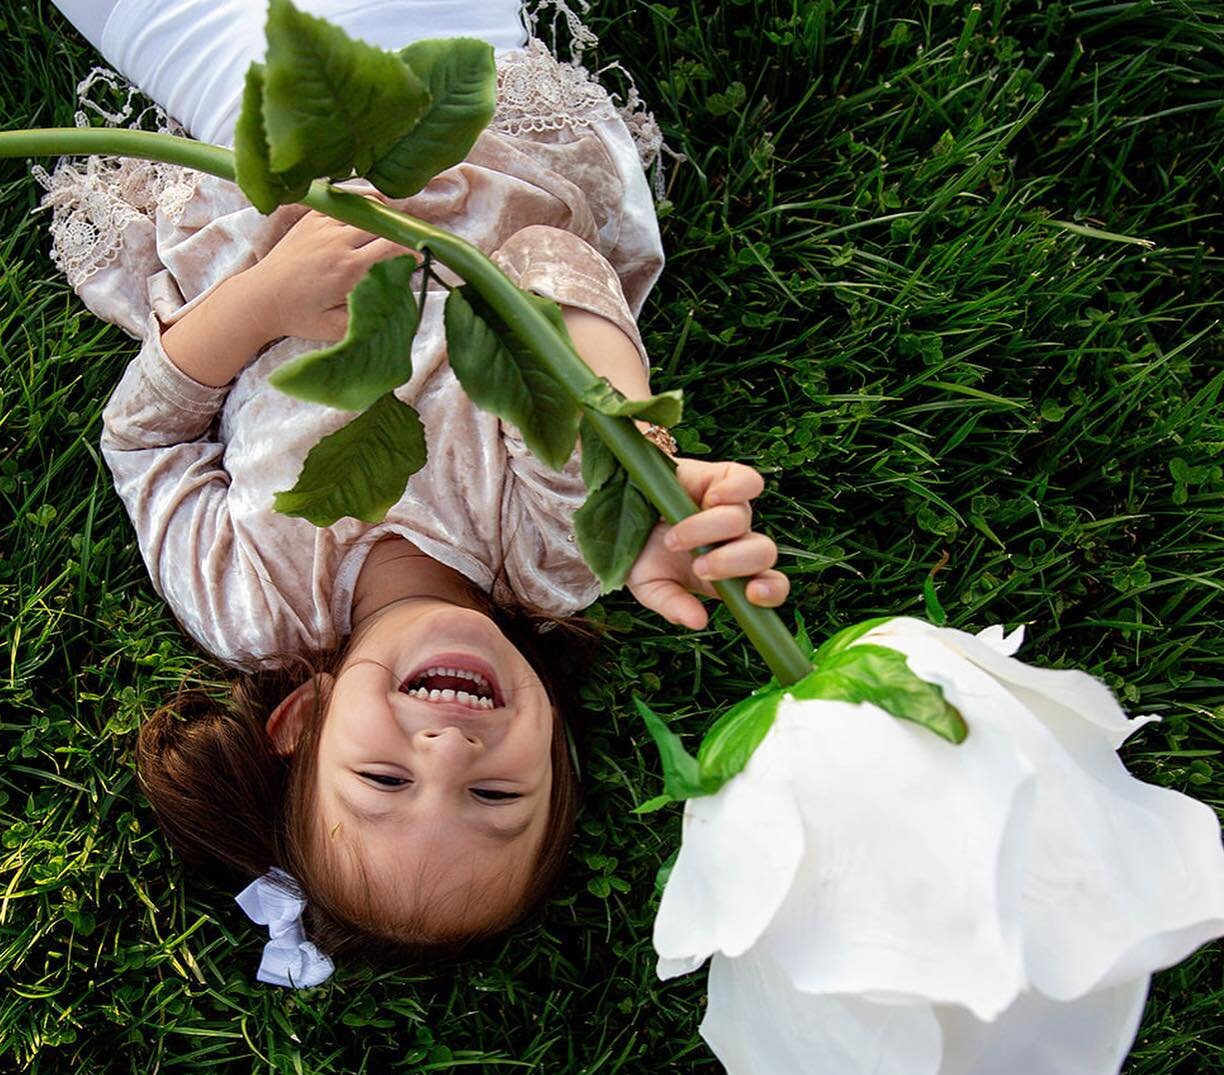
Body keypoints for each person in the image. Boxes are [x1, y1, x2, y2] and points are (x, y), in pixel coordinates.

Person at [42, 0, 790, 981]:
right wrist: (628, 446)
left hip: (256, 143)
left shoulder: (251, 605)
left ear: (298, 722)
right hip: (459, 100)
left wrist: (263, 300)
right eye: (496, 797)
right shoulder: (556, 551)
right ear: (555, 747)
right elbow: (546, 266)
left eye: (383, 777)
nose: (446, 750)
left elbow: (143, 441)